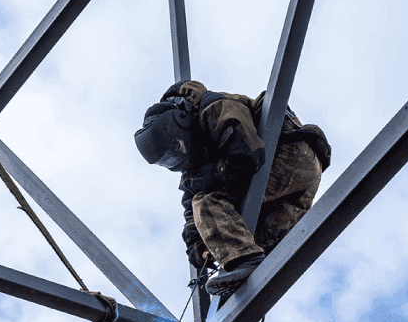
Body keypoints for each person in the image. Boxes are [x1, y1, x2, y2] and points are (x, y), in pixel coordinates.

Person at [134, 80, 329, 304]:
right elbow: (191, 212)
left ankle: (245, 261)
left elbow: (246, 156)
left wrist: (210, 179)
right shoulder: (194, 164)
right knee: (252, 247)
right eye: (168, 161)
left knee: (210, 206)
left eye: (175, 151)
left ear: (180, 123)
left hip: (287, 157)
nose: (176, 161)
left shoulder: (213, 107)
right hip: (295, 185)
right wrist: (198, 247)